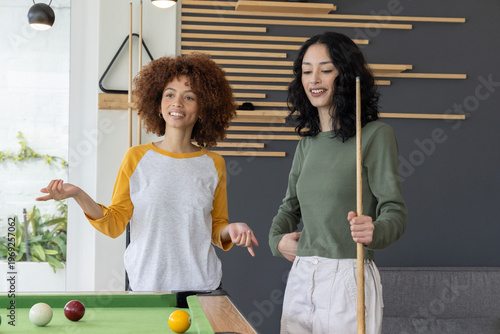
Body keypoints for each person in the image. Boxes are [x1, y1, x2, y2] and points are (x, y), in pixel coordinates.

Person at [37, 53, 258, 292]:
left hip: (204, 287)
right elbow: (114, 224)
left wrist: (231, 230)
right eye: (169, 94)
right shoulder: (136, 157)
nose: (177, 103)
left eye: (189, 97)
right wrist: (78, 194)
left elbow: (216, 229)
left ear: (203, 107)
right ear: (159, 104)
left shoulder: (214, 163)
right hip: (148, 287)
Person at [268, 32, 407, 333]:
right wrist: (276, 240)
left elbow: (394, 210)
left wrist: (375, 231)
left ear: (345, 76)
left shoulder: (375, 135)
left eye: (326, 69)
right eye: (306, 71)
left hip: (348, 275)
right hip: (303, 274)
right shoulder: (307, 145)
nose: (314, 79)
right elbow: (288, 209)